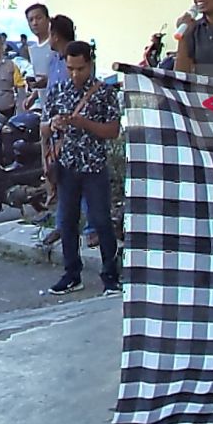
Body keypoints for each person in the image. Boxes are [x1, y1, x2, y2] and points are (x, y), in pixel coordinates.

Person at [42, 40, 122, 296]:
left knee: (100, 221)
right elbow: (42, 127)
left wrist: (84, 123)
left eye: (80, 69)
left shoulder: (104, 93)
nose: (75, 74)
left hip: (94, 166)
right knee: (66, 222)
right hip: (66, 166)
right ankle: (71, 273)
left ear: (91, 65)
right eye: (70, 69)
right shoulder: (59, 90)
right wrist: (54, 124)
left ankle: (111, 275)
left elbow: (112, 130)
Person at [24, 3, 53, 111]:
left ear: (48, 19)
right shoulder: (32, 49)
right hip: (43, 105)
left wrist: (48, 80)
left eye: (38, 18)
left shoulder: (55, 45)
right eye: (31, 20)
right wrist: (33, 96)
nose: (35, 23)